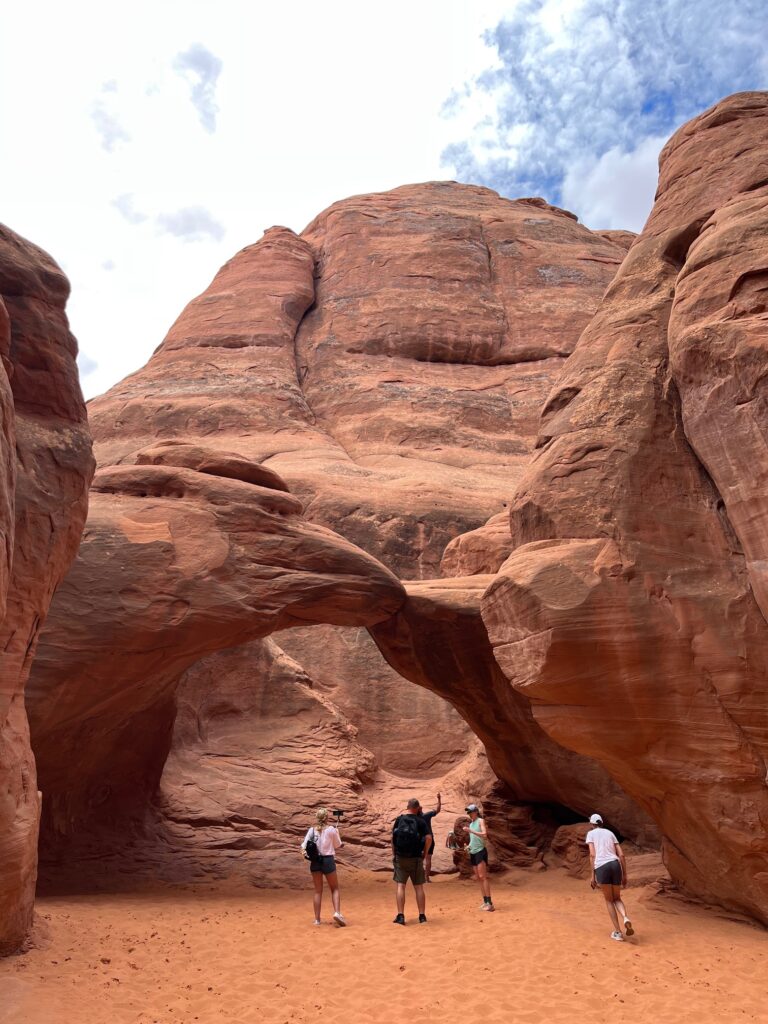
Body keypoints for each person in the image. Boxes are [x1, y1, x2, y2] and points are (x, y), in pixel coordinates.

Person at [585, 813, 634, 941]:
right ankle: (625, 917)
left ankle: (618, 932)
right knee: (617, 898)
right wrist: (624, 875)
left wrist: (592, 876)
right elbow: (621, 855)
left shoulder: (591, 834)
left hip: (602, 867)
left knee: (609, 900)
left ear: (592, 824)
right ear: (601, 822)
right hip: (615, 865)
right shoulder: (610, 833)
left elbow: (592, 855)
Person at [302, 807, 346, 927]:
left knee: (318, 891)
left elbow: (304, 845)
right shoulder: (331, 829)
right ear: (326, 817)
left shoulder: (312, 830)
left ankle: (317, 920)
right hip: (328, 861)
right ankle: (337, 913)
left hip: (315, 862)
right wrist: (337, 834)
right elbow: (338, 845)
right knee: (335, 888)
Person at [391, 798, 429, 924]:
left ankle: (401, 916)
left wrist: (394, 853)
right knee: (418, 887)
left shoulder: (400, 819)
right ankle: (422, 916)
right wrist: (425, 852)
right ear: (418, 808)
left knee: (401, 886)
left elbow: (393, 837)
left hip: (401, 857)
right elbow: (428, 838)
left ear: (408, 807)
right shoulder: (421, 821)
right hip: (416, 858)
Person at [464, 803, 495, 911]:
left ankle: (490, 904)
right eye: (468, 812)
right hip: (473, 851)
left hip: (480, 851)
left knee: (483, 876)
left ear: (476, 812)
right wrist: (468, 846)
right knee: (478, 878)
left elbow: (484, 835)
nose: (469, 814)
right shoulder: (471, 824)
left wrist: (470, 831)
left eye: (470, 812)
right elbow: (474, 840)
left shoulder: (480, 821)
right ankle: (485, 901)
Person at [416, 793, 442, 882]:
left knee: (420, 859)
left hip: (420, 840)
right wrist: (439, 799)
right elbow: (438, 810)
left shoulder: (415, 819)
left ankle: (421, 877)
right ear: (419, 809)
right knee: (428, 859)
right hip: (429, 839)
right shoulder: (426, 816)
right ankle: (426, 877)